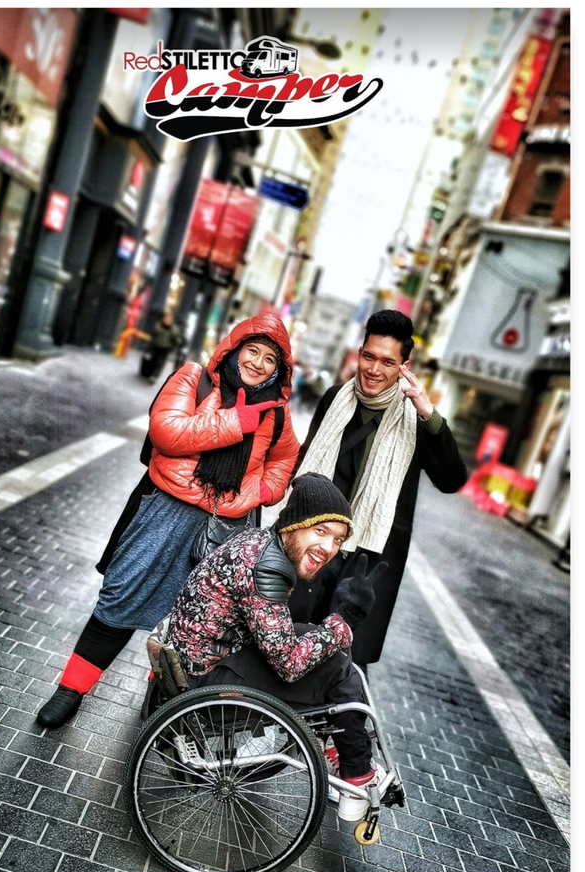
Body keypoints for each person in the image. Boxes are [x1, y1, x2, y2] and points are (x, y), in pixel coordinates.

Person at [37, 314, 300, 728]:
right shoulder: (193, 379)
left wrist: (263, 492)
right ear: (233, 349)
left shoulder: (276, 414)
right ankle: (70, 690)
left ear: (279, 371)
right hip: (166, 510)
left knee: (195, 622)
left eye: (271, 359)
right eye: (252, 350)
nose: (259, 363)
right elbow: (166, 430)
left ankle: (159, 710)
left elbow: (285, 458)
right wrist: (237, 422)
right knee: (122, 597)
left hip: (227, 526)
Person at [165, 472, 390, 823]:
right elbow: (289, 665)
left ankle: (341, 748)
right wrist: (347, 617)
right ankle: (357, 773)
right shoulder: (267, 567)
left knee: (324, 644)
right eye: (321, 532)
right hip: (207, 684)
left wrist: (331, 631)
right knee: (338, 670)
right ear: (295, 523)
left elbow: (278, 635)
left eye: (338, 540)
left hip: (204, 656)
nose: (329, 548)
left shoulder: (259, 541)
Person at [287, 310, 468, 666]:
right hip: (313, 548)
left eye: (387, 361)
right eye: (368, 356)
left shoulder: (417, 418)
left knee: (340, 665)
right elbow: (305, 464)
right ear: (359, 352)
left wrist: (429, 413)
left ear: (404, 365)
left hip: (367, 560)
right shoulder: (334, 399)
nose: (374, 369)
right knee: (287, 644)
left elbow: (452, 480)